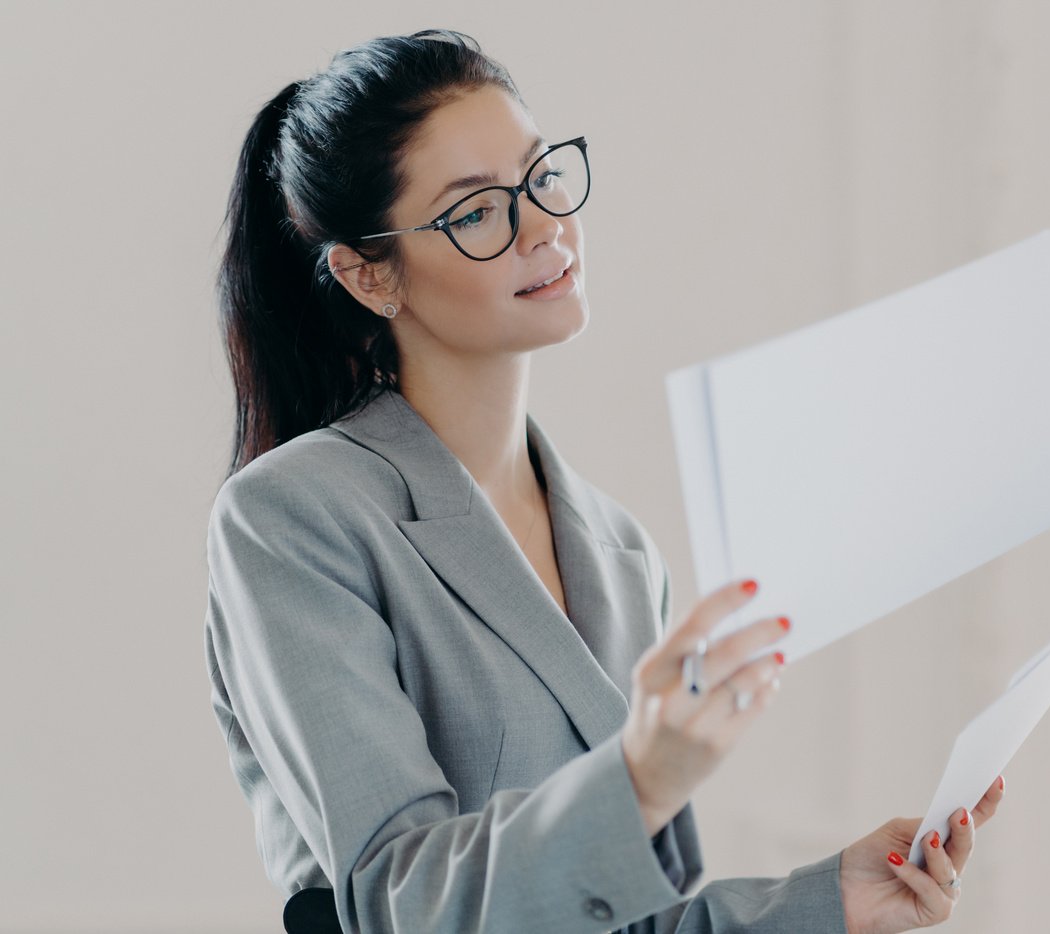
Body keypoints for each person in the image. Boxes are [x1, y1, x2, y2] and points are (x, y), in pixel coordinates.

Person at [204, 27, 1005, 934]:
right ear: (368, 275)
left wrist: (828, 900)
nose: (544, 226)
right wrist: (641, 776)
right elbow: (404, 904)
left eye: (543, 177)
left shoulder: (619, 549)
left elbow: (631, 919)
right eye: (476, 212)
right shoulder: (292, 517)